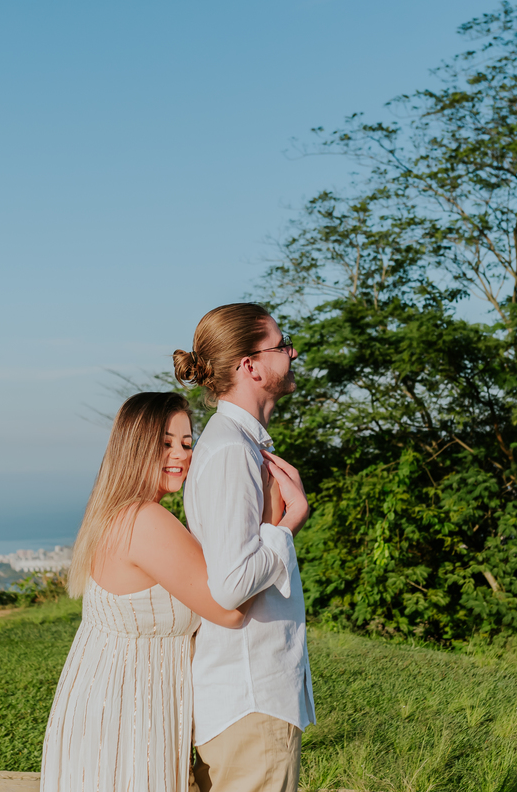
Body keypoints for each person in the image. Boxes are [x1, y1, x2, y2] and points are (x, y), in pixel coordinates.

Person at [39, 391, 252, 792]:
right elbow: (229, 607)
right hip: (129, 709)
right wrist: (275, 530)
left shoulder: (114, 511)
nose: (181, 455)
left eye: (187, 443)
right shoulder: (146, 519)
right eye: (165, 442)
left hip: (103, 701)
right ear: (135, 446)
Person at [172, 302, 314, 792]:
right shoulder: (233, 449)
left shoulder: (239, 443)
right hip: (250, 700)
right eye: (281, 344)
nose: (292, 353)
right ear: (250, 366)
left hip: (252, 699)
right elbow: (230, 585)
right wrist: (289, 523)